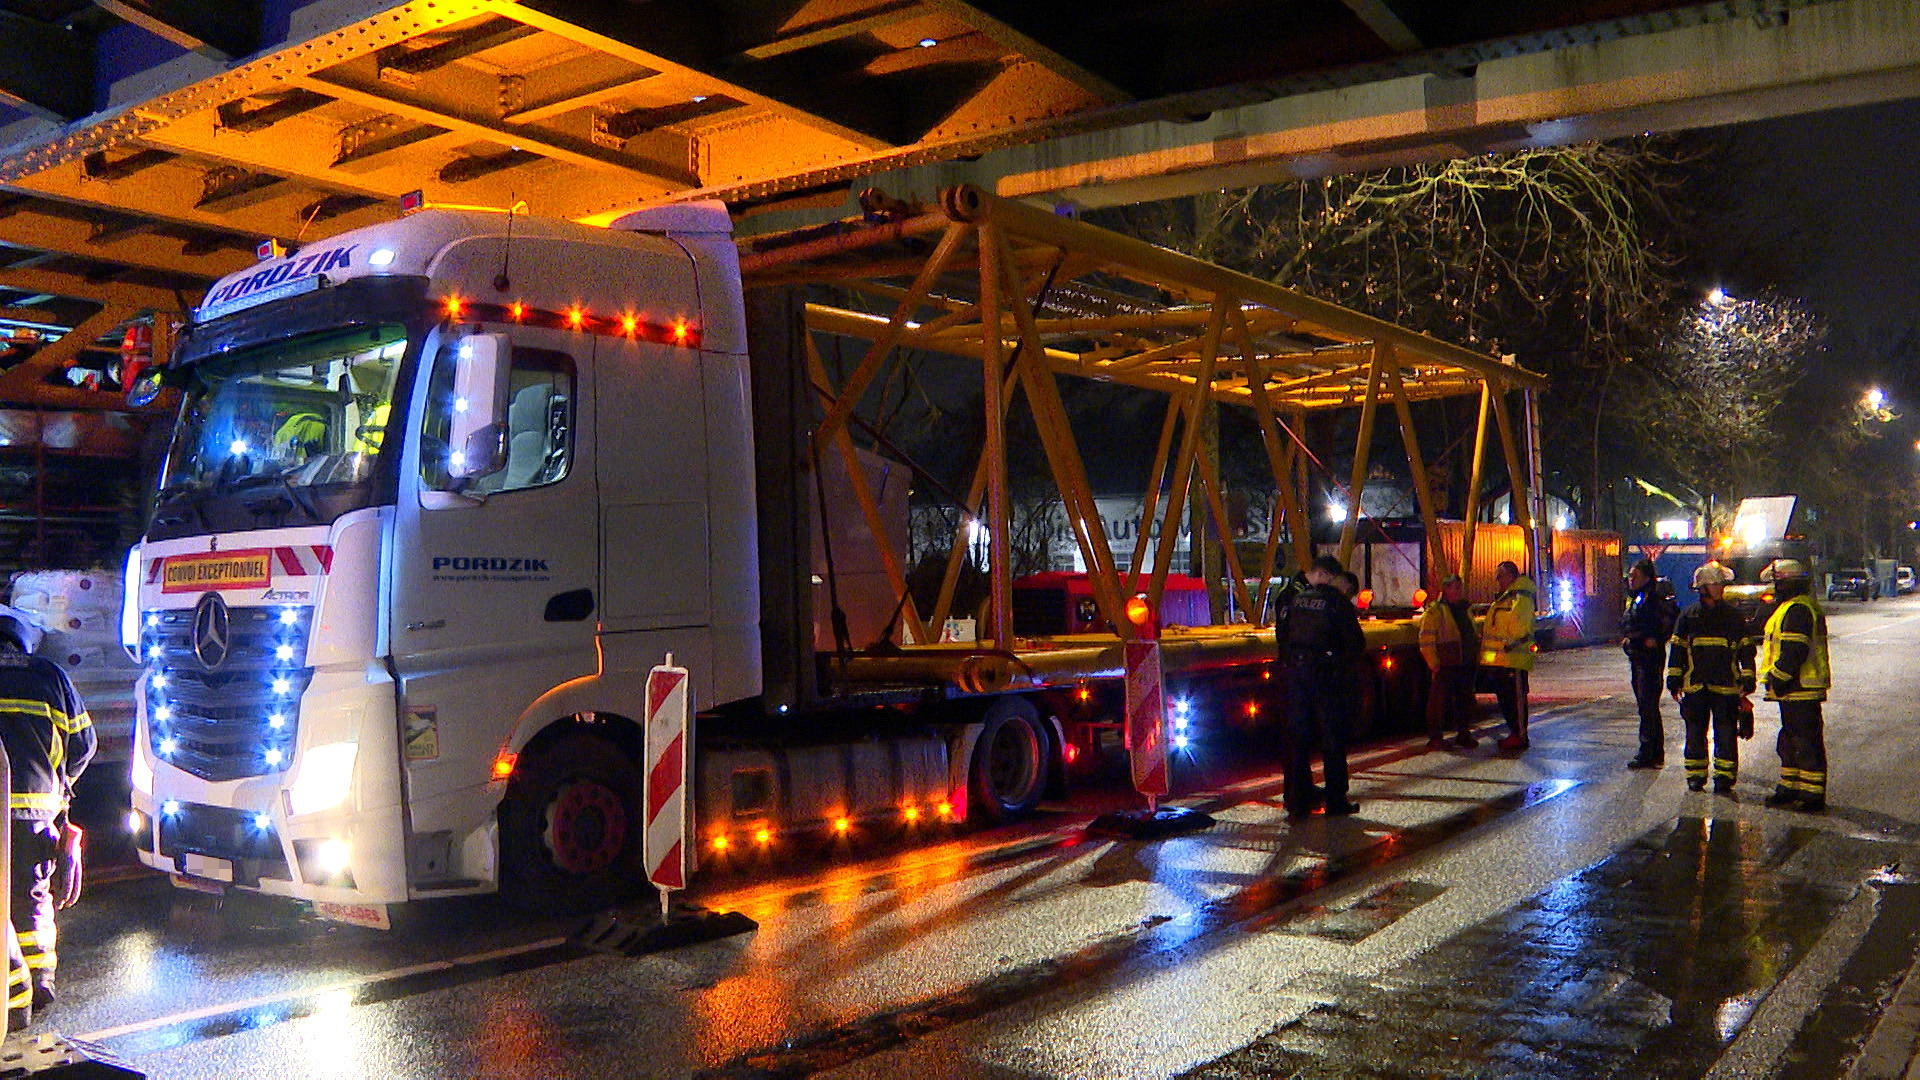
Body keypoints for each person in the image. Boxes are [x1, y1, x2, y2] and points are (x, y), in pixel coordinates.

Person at [0, 606, 93, 1029]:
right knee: (33, 896)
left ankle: (11, 991)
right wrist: (62, 785)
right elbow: (84, 744)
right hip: (36, 813)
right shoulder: (49, 676)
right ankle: (38, 981)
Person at [1276, 554, 1365, 818]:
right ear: (1329, 576)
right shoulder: (1337, 602)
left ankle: (1296, 799)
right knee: (1332, 737)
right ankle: (1336, 800)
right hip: (1326, 677)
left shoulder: (1294, 599)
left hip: (1295, 673)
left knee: (1297, 738)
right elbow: (1355, 644)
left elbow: (1282, 635)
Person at [1666, 562, 1755, 794]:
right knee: (1695, 733)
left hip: (1726, 686)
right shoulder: (1687, 616)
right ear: (1703, 588)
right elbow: (1677, 650)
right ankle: (1695, 776)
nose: (1721, 589)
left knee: (1726, 733)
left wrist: (1748, 678)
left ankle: (1724, 778)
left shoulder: (1734, 617)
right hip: (1696, 686)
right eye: (1716, 585)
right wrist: (1673, 680)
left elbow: (1746, 649)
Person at [1758, 560, 1830, 811]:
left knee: (1804, 740)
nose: (1774, 589)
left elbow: (1794, 650)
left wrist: (1778, 677)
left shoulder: (1798, 609)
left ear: (1787, 582)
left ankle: (1811, 793)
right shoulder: (1791, 607)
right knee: (1789, 739)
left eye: (1777, 583)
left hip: (1800, 687)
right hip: (1794, 689)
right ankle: (1790, 786)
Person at [1622, 558, 1680, 769]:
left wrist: (1652, 639)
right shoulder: (1636, 597)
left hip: (1648, 658)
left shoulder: (1653, 598)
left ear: (1646, 578)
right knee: (1644, 706)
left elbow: (1665, 622)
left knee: (1648, 706)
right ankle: (1652, 751)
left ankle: (1650, 752)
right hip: (1637, 656)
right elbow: (1629, 621)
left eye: (1634, 576)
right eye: (1629, 576)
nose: (1630, 580)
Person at [1481, 560, 1537, 752]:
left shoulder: (1520, 597)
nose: (1498, 580)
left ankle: (1520, 735)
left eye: (1500, 575)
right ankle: (1515, 734)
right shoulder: (1507, 597)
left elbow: (1518, 626)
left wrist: (1508, 646)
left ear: (1512, 576)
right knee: (1506, 700)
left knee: (1515, 701)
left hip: (1514, 659)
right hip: (1504, 660)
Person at [1418, 574, 1478, 750]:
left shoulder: (1464, 609)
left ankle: (1463, 734)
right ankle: (1436, 737)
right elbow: (1426, 640)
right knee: (1439, 702)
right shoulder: (1435, 611)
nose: (1458, 591)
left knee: (1464, 701)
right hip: (1446, 663)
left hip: (1464, 662)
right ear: (1445, 589)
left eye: (1459, 588)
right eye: (1454, 588)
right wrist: (1433, 663)